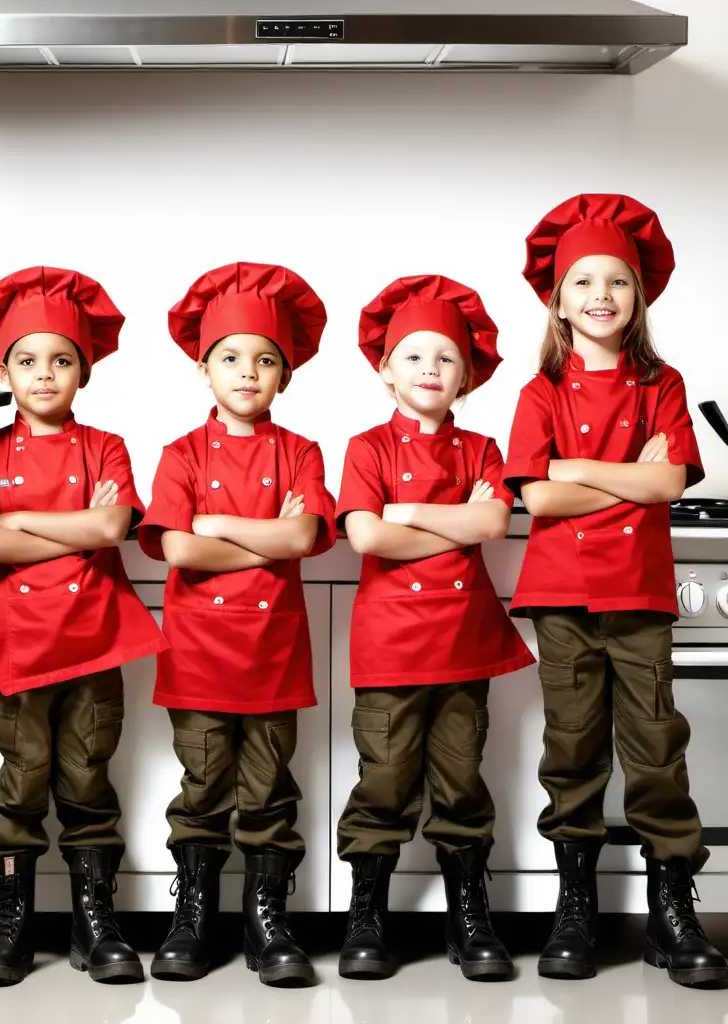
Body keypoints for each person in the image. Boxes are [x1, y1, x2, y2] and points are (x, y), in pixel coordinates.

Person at [505, 193, 728, 987]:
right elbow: (539, 499)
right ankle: (577, 908)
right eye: (584, 281)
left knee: (657, 749)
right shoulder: (541, 393)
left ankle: (672, 913)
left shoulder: (662, 382)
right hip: (563, 596)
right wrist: (627, 479)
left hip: (639, 593)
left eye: (618, 282)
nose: (602, 294)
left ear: (640, 297)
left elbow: (668, 481)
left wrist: (581, 470)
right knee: (572, 749)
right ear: (557, 299)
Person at [0, 266, 166, 986]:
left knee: (88, 781)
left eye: (62, 361)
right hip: (22, 648)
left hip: (97, 642)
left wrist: (23, 521)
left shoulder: (106, 447)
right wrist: (71, 532)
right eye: (29, 361)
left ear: (85, 371)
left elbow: (111, 526)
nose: (45, 375)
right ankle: (10, 923)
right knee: (22, 782)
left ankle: (93, 921)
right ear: (2, 369)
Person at [139, 262, 336, 986]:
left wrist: (219, 525)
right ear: (204, 368)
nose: (247, 371)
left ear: (284, 375)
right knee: (202, 785)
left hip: (274, 651)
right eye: (230, 358)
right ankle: (193, 917)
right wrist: (256, 530)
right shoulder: (180, 454)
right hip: (196, 652)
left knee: (269, 788)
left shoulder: (303, 452)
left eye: (265, 360)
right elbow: (180, 546)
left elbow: (302, 537)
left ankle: (266, 920)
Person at [336, 274, 534, 982]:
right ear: (385, 369)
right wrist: (442, 523)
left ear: (467, 377)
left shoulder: (482, 450)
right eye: (414, 357)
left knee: (461, 782)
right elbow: (364, 537)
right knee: (384, 781)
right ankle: (368, 915)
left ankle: (468, 916)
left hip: (463, 642)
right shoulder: (366, 448)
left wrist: (407, 514)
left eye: (446, 359)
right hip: (389, 649)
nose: (430, 370)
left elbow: (490, 521)